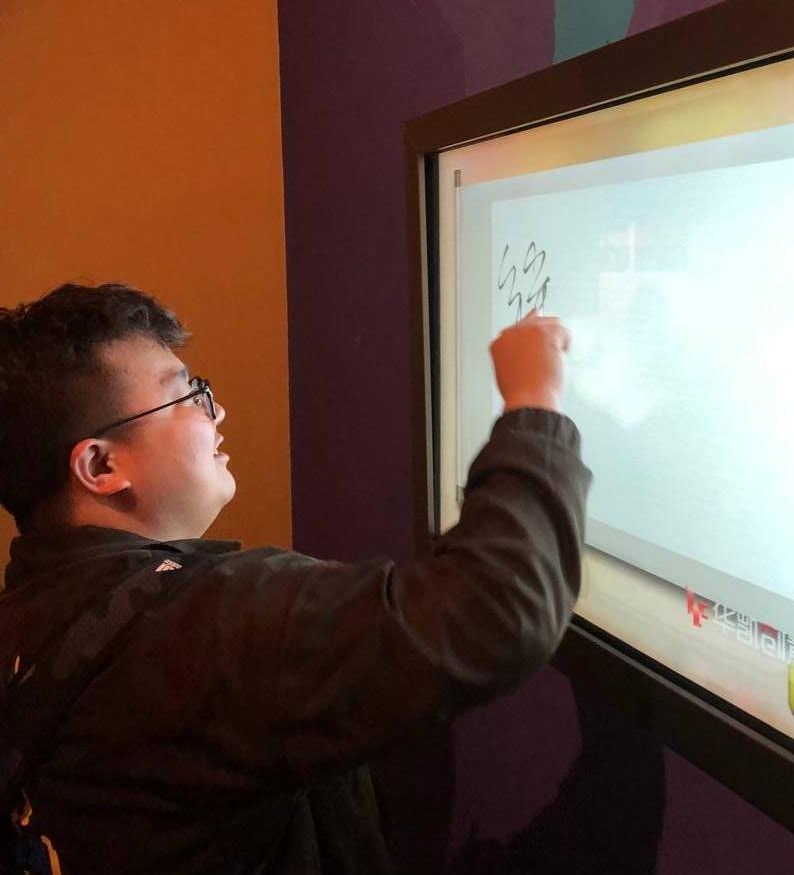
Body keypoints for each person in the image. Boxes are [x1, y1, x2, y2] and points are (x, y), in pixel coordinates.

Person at [0, 283, 590, 874]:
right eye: (186, 396)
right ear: (101, 465)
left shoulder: (28, 615)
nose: (216, 413)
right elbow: (496, 609)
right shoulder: (204, 626)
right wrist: (535, 400)